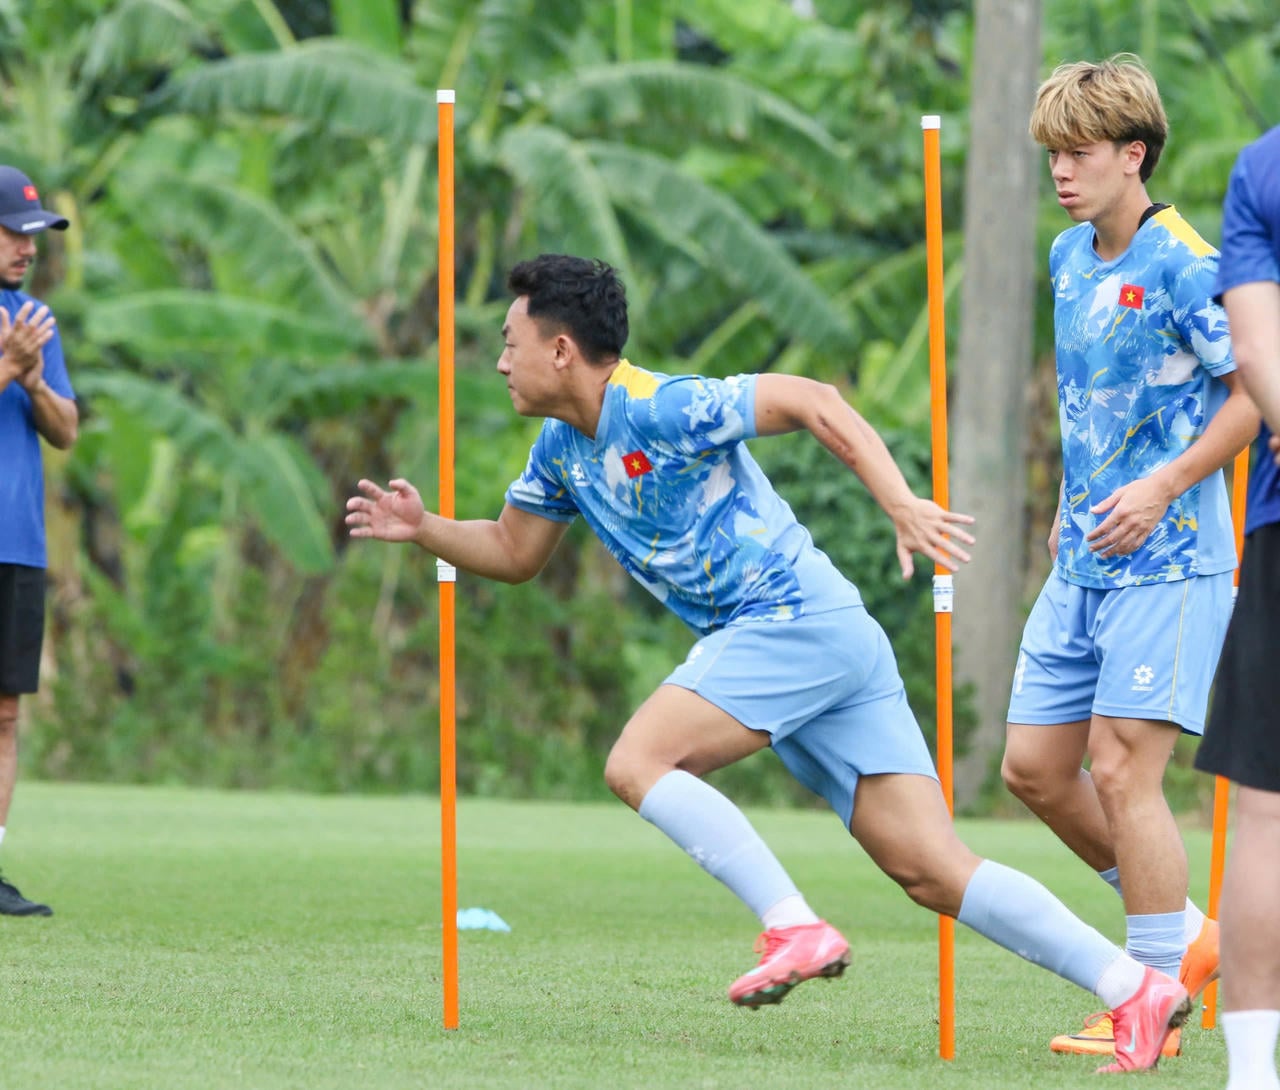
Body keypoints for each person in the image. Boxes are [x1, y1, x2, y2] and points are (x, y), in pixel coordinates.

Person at [347, 252, 1192, 1071]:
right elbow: (511, 548)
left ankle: (792, 926)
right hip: (823, 639)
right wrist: (424, 528)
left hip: (792, 623)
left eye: (509, 342)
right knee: (932, 871)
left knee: (638, 760)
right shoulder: (561, 452)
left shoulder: (664, 406)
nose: (500, 362)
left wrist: (901, 503)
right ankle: (1136, 989)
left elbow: (814, 400)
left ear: (561, 350)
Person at [998, 55, 1260, 1058]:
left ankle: (1148, 996)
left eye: (1077, 154)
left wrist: (1159, 486)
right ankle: (1189, 936)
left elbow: (1250, 387)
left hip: (1173, 554)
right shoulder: (1068, 257)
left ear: (1132, 154)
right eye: (1052, 155)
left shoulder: (1187, 261)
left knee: (1119, 769)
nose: (1060, 172)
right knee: (1032, 767)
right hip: (1082, 561)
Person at [1194, 123, 1280, 1090]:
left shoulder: (1263, 167)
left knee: (1265, 813)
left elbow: (1254, 355)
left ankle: (1252, 1074)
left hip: (1276, 522)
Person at [0, 165, 77, 917]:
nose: (28, 247)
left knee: (6, 713)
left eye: (35, 235)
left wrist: (31, 378)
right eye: (15, 232)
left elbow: (66, 430)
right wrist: (7, 367)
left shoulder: (35, 317)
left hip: (18, 544)